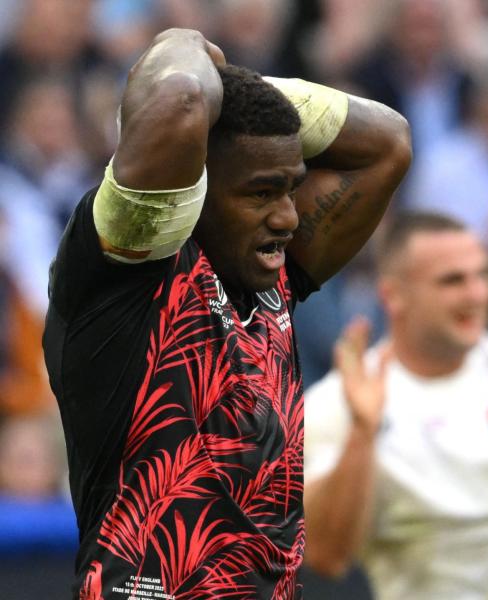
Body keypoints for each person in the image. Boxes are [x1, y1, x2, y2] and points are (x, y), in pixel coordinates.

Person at [41, 28, 411, 599]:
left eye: (292, 189)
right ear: (197, 187)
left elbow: (388, 142)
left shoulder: (272, 284)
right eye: (262, 193)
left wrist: (240, 92)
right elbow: (181, 102)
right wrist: (189, 43)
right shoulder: (121, 276)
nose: (289, 217)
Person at [302, 212, 488, 599]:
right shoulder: (339, 402)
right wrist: (362, 433)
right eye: (452, 280)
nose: (476, 295)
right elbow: (327, 557)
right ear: (393, 295)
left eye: (483, 275)